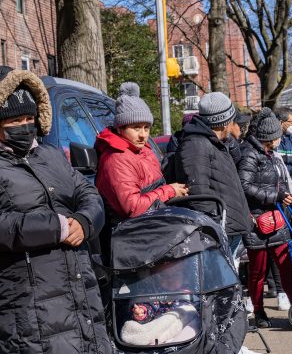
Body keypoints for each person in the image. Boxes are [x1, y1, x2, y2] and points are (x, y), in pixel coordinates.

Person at [0, 66, 112, 353]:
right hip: (29, 300)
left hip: (79, 290)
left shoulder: (50, 155)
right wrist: (56, 227)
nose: (25, 126)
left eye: (29, 118)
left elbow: (88, 193)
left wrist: (85, 222)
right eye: (15, 121)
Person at [173, 92, 253, 258]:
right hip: (218, 233)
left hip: (228, 229)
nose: (233, 126)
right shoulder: (196, 144)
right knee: (220, 281)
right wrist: (216, 227)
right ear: (224, 123)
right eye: (232, 121)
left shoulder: (215, 143)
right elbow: (197, 193)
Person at [238, 108, 292, 328]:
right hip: (257, 222)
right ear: (268, 138)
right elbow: (244, 186)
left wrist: (284, 196)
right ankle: (259, 311)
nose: (281, 139)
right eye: (278, 137)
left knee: (286, 265)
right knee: (258, 271)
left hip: (276, 218)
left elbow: (277, 181)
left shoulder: (269, 154)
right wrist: (276, 196)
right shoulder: (249, 153)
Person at [95, 82, 188, 223]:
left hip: (154, 223)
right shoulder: (117, 159)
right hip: (134, 234)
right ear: (120, 128)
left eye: (146, 128)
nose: (143, 135)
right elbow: (133, 208)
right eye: (136, 128)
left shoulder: (143, 150)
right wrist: (169, 191)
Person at [121, 261, 199, 345]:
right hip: (161, 326)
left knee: (195, 320)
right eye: (163, 275)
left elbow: (197, 311)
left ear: (184, 276)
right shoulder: (155, 293)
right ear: (155, 278)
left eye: (176, 275)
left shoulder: (190, 291)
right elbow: (150, 306)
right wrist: (142, 312)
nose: (170, 279)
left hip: (183, 327)